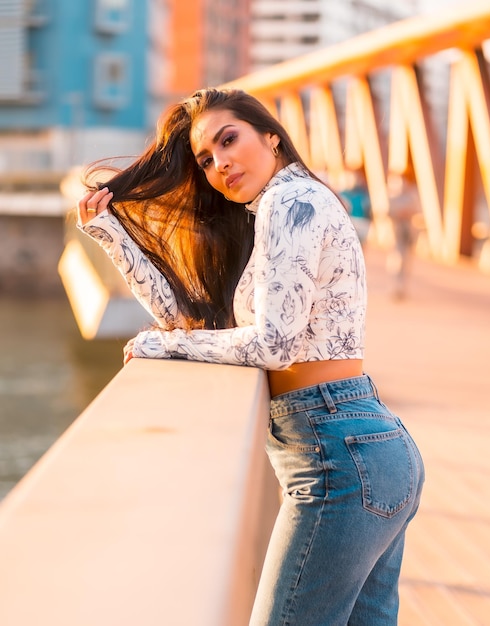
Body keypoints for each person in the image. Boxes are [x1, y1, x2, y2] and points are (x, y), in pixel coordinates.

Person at [77, 88, 424, 626]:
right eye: (206, 159)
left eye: (228, 139)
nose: (220, 164)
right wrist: (109, 232)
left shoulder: (291, 201)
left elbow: (273, 344)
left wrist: (160, 345)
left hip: (337, 450)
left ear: (271, 135)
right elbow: (184, 318)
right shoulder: (274, 212)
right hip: (364, 444)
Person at [386, 172, 422, 299]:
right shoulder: (393, 195)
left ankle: (403, 286)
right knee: (397, 258)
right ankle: (396, 286)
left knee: (406, 259)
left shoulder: (412, 195)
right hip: (397, 231)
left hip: (409, 232)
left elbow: (417, 211)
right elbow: (388, 211)